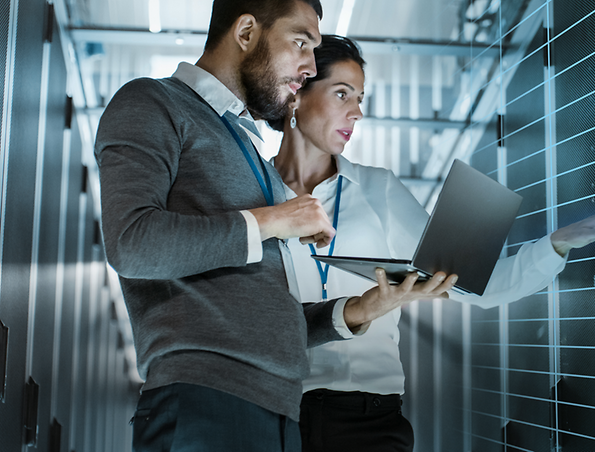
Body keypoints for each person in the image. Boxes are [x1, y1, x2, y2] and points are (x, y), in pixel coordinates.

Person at [93, 2, 455, 451]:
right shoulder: (153, 102)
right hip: (204, 402)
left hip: (279, 413)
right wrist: (274, 219)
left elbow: (268, 319)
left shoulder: (249, 153)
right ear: (246, 32)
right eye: (301, 42)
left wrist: (360, 309)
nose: (308, 66)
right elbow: (133, 244)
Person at [267, 35, 595, 452]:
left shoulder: (378, 189)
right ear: (296, 93)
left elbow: (479, 287)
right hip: (272, 414)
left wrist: (560, 242)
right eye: (342, 93)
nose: (357, 112)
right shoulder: (253, 197)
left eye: (360, 98)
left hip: (368, 419)